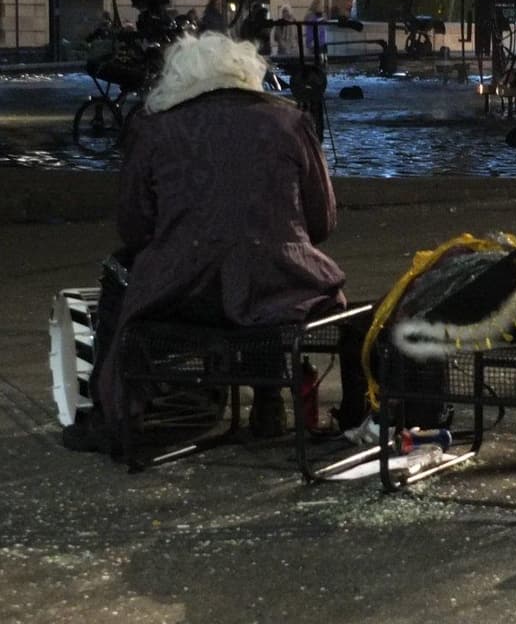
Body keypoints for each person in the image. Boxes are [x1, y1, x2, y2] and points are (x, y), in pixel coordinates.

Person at [61, 32, 349, 452]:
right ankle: (268, 404)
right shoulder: (291, 122)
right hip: (282, 291)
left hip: (184, 295)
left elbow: (135, 229)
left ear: (176, 82)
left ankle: (114, 414)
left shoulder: (153, 130)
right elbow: (322, 221)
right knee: (257, 267)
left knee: (118, 276)